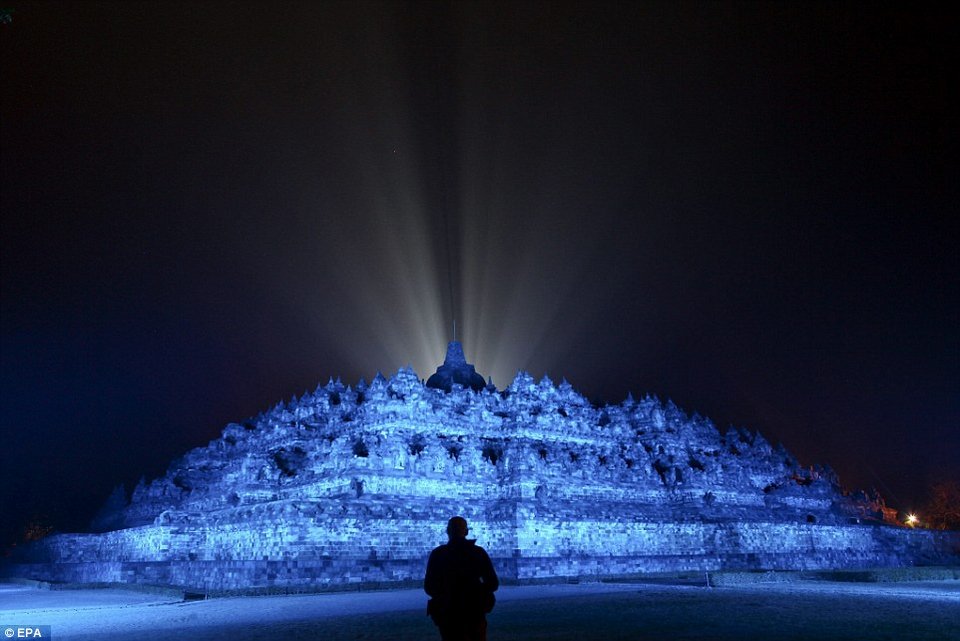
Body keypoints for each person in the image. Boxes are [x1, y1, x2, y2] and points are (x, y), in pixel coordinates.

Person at [424, 516, 499, 641]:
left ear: (448, 531)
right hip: (474, 612)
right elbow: (493, 583)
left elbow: (429, 587)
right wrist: (475, 593)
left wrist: (447, 595)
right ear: (466, 532)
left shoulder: (438, 554)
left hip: (448, 613)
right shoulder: (478, 553)